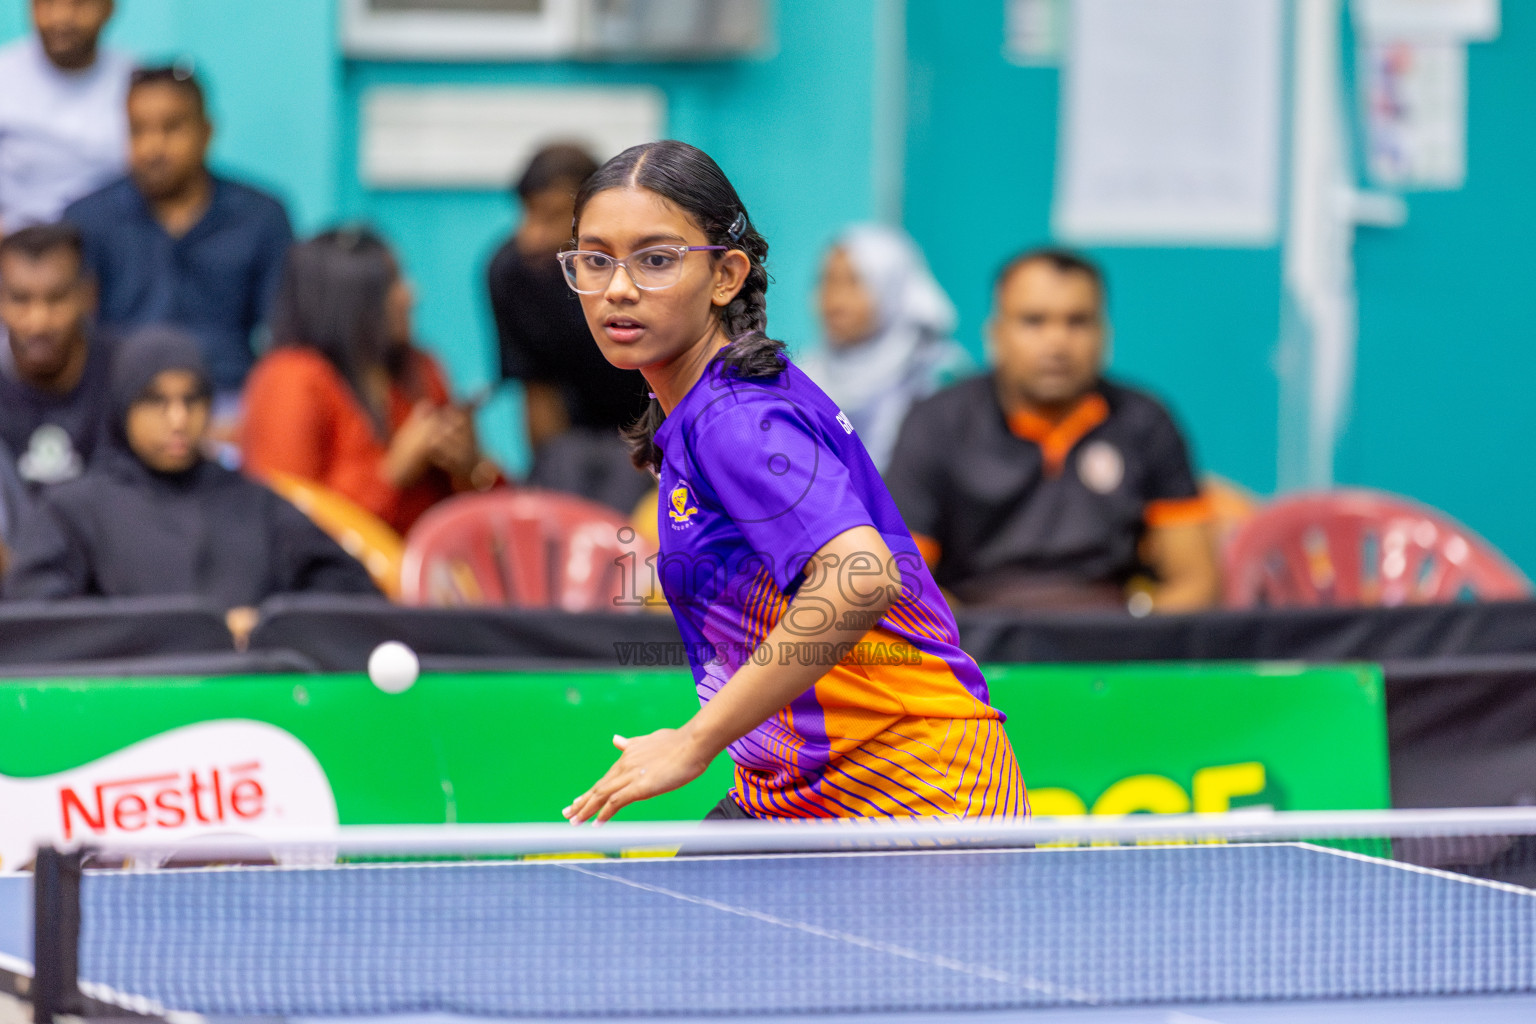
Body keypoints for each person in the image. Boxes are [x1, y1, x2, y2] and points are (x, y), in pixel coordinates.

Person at [560, 140, 1026, 824]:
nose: (618, 287)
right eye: (596, 260)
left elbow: (861, 576)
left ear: (726, 276)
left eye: (656, 259)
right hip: (790, 784)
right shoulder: (708, 405)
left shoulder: (735, 418)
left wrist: (694, 742)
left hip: (911, 786)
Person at [886, 249, 1220, 614]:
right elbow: (902, 581)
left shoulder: (1146, 421)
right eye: (1034, 321)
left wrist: (1139, 634)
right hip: (977, 642)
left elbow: (1196, 582)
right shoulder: (936, 422)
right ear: (996, 333)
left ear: (1104, 333)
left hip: (1114, 644)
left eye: (1077, 321)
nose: (1058, 342)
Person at [1, 327, 379, 621]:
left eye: (192, 399)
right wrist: (174, 638)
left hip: (251, 706)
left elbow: (351, 597)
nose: (178, 419)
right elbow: (39, 625)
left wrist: (267, 627)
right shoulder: (74, 511)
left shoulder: (255, 503)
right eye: (155, 401)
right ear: (121, 406)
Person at [242, 227, 500, 535]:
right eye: (392, 283)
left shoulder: (420, 367)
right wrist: (392, 472)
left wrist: (470, 467)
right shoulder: (291, 378)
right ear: (347, 301)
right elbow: (286, 522)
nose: (411, 294)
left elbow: (484, 516)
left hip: (430, 568)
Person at [63, 66, 293, 409]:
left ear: (206, 132)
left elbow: (286, 336)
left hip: (230, 401)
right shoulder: (87, 219)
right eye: (137, 130)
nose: (152, 147)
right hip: (119, 403)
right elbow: (71, 332)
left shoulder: (261, 217)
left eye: (172, 128)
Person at [486, 142, 651, 512]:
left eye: (552, 215)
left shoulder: (643, 269)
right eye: (528, 213)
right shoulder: (511, 274)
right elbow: (537, 392)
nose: (533, 235)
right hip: (572, 442)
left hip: (652, 429)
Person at [800, 223, 972, 472]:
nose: (835, 301)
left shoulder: (939, 377)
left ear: (892, 287)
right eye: (828, 281)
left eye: (854, 282)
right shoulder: (805, 377)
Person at [0, 0, 132, 233]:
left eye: (79, 3)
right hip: (15, 248)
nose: (61, 17)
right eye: (47, 3)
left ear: (109, 8)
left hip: (109, 251)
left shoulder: (135, 83)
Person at [0, 223, 113, 490]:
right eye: (19, 299)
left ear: (88, 296)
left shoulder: (129, 374)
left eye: (57, 298)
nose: (38, 322)